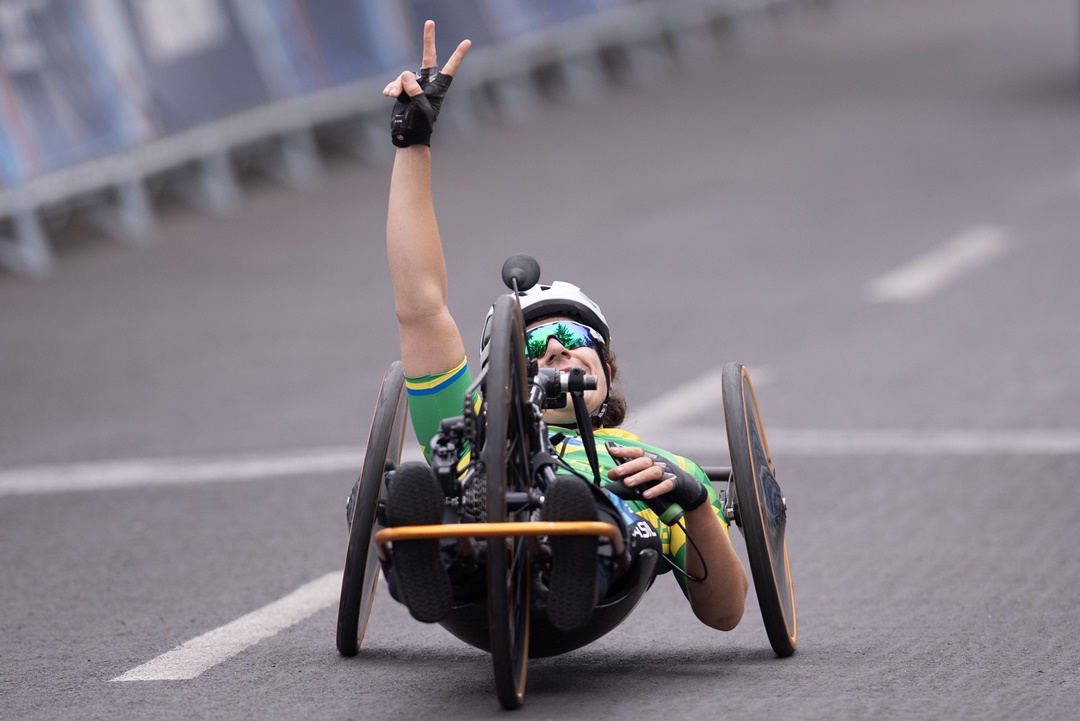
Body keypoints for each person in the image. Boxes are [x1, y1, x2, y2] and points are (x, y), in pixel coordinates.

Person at [378, 21, 747, 634]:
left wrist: (696, 500)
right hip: (473, 573)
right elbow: (419, 304)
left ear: (607, 370)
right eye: (533, 344)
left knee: (596, 507)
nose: (556, 348)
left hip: (594, 568)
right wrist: (411, 143)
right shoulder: (462, 431)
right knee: (433, 487)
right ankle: (440, 558)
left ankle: (575, 547)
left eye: (575, 340)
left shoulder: (647, 461)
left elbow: (727, 613)